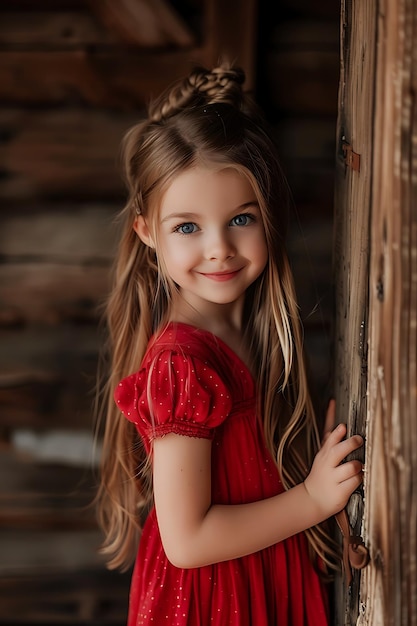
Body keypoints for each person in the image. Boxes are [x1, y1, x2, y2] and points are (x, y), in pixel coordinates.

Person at [95, 61, 364, 625]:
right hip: (211, 601)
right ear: (148, 232)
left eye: (240, 218)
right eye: (187, 227)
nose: (218, 248)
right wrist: (312, 500)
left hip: (259, 575)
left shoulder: (251, 330)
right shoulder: (181, 363)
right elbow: (187, 541)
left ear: (267, 214)